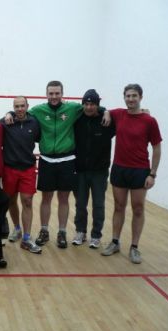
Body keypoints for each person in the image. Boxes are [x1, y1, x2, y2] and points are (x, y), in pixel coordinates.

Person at [6, 81, 110, 249]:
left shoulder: (72, 108)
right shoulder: (38, 111)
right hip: (47, 160)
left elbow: (91, 106)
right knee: (46, 199)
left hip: (67, 160)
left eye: (57, 93)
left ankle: (62, 232)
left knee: (63, 199)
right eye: (51, 93)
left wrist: (106, 112)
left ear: (62, 94)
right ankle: (44, 230)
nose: (54, 97)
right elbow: (21, 111)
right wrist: (9, 112)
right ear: (46, 94)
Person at [101, 84, 162, 264]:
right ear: (124, 97)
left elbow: (157, 148)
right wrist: (106, 113)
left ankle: (134, 247)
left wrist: (153, 174)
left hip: (140, 170)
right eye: (128, 96)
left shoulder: (149, 121)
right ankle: (115, 242)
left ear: (140, 97)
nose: (131, 99)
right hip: (119, 168)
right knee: (119, 206)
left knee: (138, 208)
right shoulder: (119, 114)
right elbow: (108, 112)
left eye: (134, 96)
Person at [72, 89, 115, 249]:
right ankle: (80, 232)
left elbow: (126, 116)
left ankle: (96, 235)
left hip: (99, 172)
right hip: (80, 170)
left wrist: (107, 112)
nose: (89, 107)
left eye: (93, 104)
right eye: (86, 104)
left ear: (98, 105)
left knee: (98, 205)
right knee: (80, 204)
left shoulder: (107, 121)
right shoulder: (77, 119)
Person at [1, 96, 42, 254]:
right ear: (13, 107)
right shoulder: (6, 121)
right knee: (11, 200)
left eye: (22, 106)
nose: (19, 109)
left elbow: (38, 138)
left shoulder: (34, 123)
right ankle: (17, 228)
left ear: (27, 106)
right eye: (16, 106)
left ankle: (26, 237)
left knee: (27, 201)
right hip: (9, 169)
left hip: (28, 169)